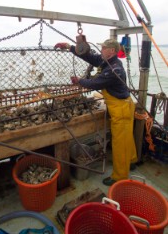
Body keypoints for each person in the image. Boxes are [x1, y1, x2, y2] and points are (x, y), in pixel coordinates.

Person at [54, 39, 137, 186]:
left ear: (112, 51)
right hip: (124, 105)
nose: (101, 50)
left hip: (121, 109)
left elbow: (95, 83)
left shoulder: (114, 69)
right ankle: (131, 161)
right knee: (126, 138)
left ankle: (120, 176)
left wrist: (79, 80)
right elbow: (90, 57)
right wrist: (69, 47)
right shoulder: (107, 61)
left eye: (103, 48)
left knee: (120, 143)